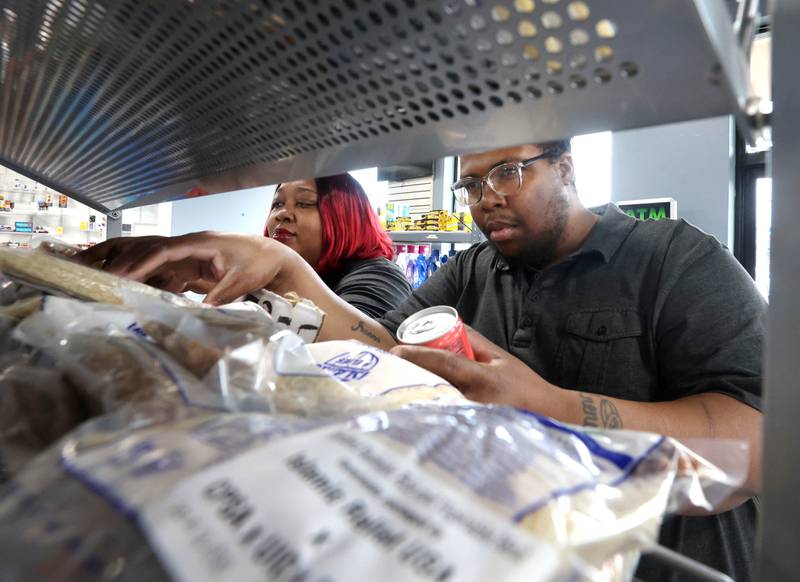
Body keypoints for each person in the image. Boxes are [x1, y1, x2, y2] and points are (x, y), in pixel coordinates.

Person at [83, 142, 764, 581]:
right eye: (471, 184)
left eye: (509, 172)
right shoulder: (474, 271)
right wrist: (284, 268)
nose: (487, 197)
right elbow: (380, 350)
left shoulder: (677, 261)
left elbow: (756, 446)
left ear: (566, 168)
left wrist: (553, 407)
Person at [81, 174, 412, 320]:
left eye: (305, 204)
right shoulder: (275, 276)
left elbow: (359, 352)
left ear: (347, 216)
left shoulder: (377, 275)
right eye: (277, 204)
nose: (283, 214)